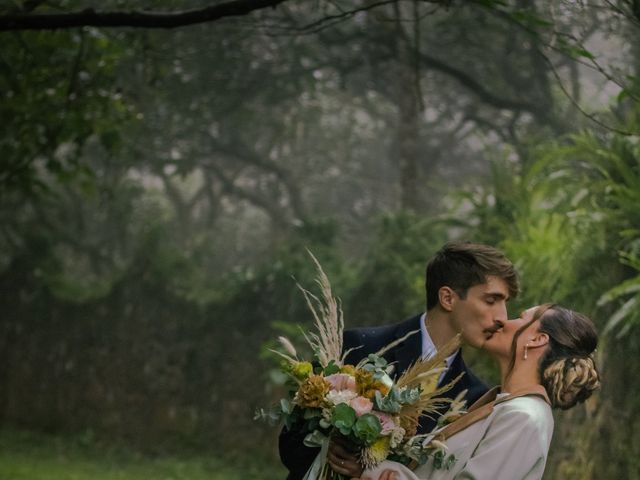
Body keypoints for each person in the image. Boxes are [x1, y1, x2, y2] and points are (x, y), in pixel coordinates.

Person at [279, 241, 520, 480]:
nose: (502, 317)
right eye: (491, 301)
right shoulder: (359, 346)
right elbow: (289, 443)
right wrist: (328, 451)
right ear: (448, 298)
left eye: (504, 303)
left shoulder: (474, 397)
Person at [355, 304, 600, 480]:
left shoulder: (525, 419)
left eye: (521, 317)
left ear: (536, 340)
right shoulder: (504, 407)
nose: (504, 321)